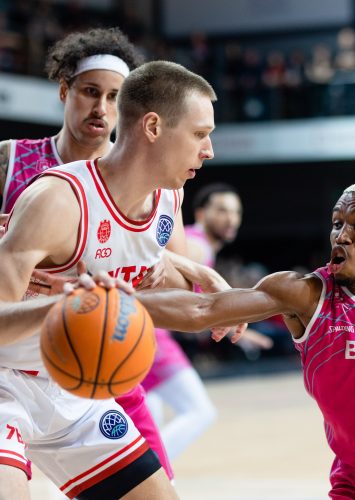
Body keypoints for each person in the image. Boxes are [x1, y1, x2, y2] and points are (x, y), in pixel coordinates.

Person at [133, 180, 355, 499]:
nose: (342, 235)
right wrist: (113, 300)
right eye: (337, 224)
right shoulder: (305, 295)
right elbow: (203, 309)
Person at [0, 59, 220, 499]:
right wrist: (64, 301)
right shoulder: (35, 178)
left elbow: (164, 275)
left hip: (77, 374)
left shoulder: (158, 193)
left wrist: (203, 275)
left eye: (115, 95)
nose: (102, 107)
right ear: (65, 92)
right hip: (9, 368)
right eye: (90, 91)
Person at [143, 183, 243, 460]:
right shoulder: (198, 246)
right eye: (222, 210)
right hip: (152, 335)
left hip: (140, 331)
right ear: (201, 214)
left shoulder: (190, 241)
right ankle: (148, 473)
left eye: (236, 212)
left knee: (148, 426)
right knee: (200, 411)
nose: (231, 218)